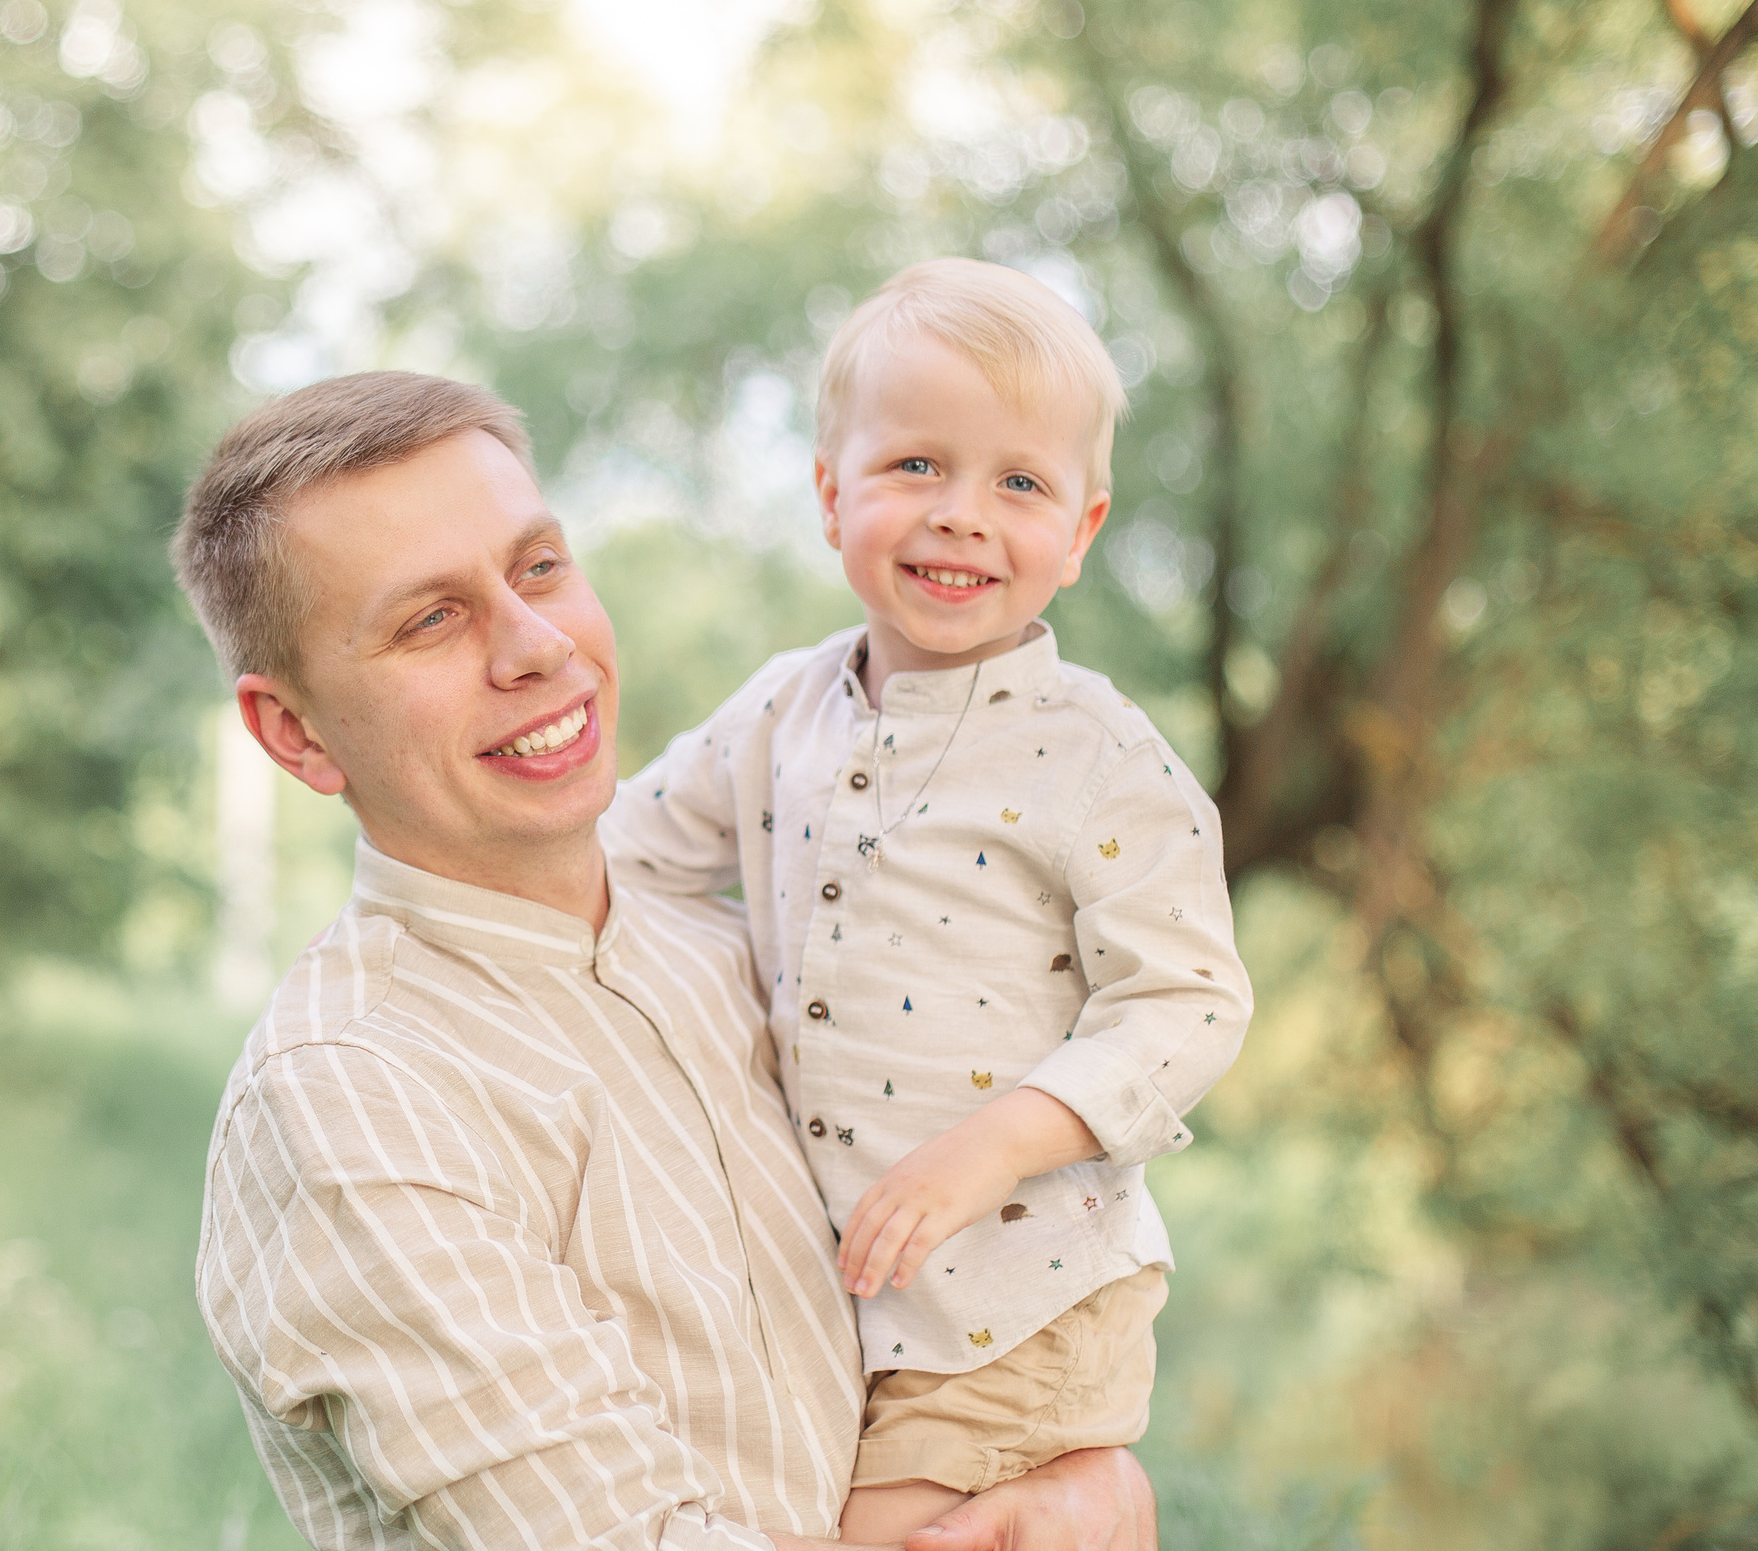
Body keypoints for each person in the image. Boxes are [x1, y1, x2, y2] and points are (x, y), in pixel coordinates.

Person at [175, 369, 1158, 1550]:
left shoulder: (735, 954)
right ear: (295, 732)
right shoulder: (352, 1099)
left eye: (538, 568)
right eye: (430, 619)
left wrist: (1087, 1485)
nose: (535, 645)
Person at [600, 261, 1253, 1538]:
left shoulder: (1097, 758)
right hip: (862, 1295)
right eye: (914, 467)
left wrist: (994, 1142)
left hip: (1022, 1291)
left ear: (1080, 531)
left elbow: (1189, 1002)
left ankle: (1101, 1499)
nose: (962, 514)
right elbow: (625, 854)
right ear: (830, 492)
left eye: (1018, 483)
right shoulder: (780, 713)